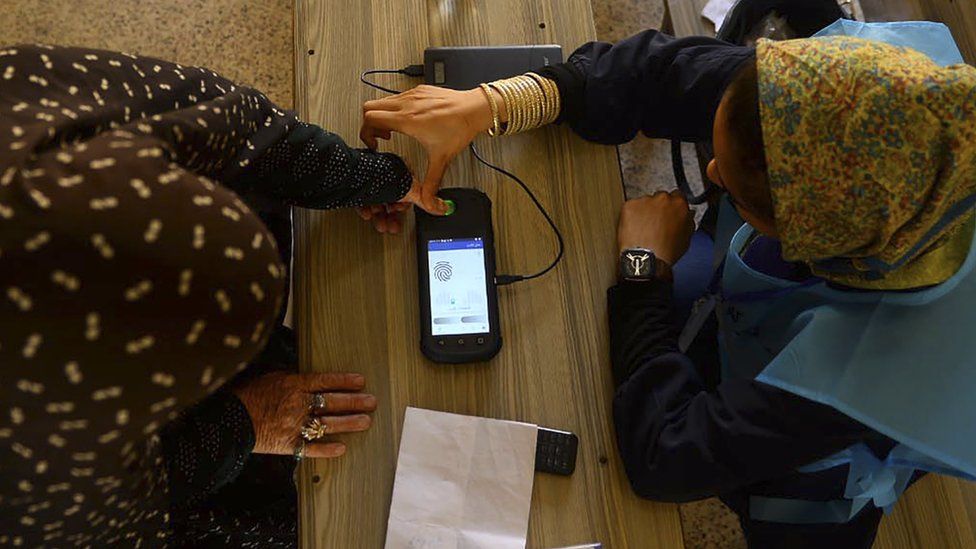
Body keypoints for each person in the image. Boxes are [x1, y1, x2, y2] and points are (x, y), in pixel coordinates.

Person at [358, 28, 976, 548]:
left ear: (809, 240)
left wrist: (641, 267)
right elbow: (662, 71)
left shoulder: (864, 374)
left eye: (732, 187)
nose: (708, 171)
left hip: (836, 444)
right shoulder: (850, 92)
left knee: (797, 503)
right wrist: (500, 102)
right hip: (767, 314)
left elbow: (666, 455)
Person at [0, 44, 420, 547]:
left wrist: (368, 178)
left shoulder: (25, 98)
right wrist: (242, 421)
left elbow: (241, 127)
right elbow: (127, 515)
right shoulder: (33, 477)